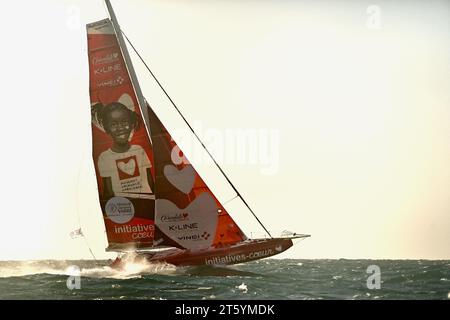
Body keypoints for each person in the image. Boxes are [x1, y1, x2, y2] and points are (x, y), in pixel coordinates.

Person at [91, 101, 154, 199]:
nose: (120, 128)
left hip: (148, 204)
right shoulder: (104, 157)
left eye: (124, 122)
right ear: (107, 128)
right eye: (113, 124)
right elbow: (108, 192)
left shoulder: (139, 150)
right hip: (123, 209)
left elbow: (151, 183)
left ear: (131, 123)